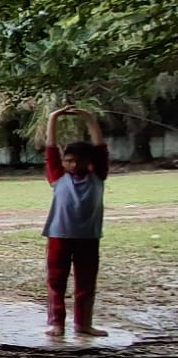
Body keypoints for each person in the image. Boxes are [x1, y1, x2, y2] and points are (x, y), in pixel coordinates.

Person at [43, 105, 109, 338]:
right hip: (59, 235)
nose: (72, 165)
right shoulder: (58, 176)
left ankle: (83, 324)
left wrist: (89, 118)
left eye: (77, 161)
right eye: (68, 160)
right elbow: (50, 148)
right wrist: (54, 118)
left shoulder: (97, 176)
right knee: (56, 282)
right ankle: (56, 323)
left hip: (89, 237)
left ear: (88, 162)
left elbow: (101, 148)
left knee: (86, 283)